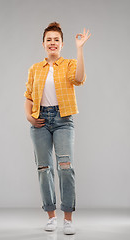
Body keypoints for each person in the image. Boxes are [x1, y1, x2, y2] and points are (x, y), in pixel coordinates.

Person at [24, 22, 91, 235]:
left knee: (65, 167)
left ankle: (68, 219)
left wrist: (80, 48)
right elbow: (28, 95)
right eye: (49, 40)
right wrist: (29, 117)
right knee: (44, 169)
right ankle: (51, 216)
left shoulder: (70, 64)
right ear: (43, 44)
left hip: (63, 120)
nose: (52, 43)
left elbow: (79, 79)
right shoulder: (35, 69)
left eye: (56, 40)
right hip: (40, 121)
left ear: (61, 44)